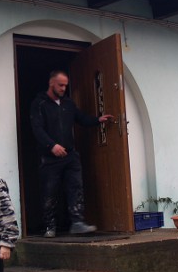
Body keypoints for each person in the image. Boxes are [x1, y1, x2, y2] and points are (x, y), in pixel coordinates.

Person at [29, 70, 114, 238]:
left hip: (70, 155)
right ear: (51, 83)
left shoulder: (68, 103)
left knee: (75, 187)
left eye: (65, 85)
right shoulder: (39, 104)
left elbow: (80, 118)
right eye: (60, 85)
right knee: (50, 191)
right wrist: (52, 145)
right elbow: (37, 129)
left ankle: (77, 222)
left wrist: (97, 120)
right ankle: (50, 226)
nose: (63, 88)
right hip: (49, 157)